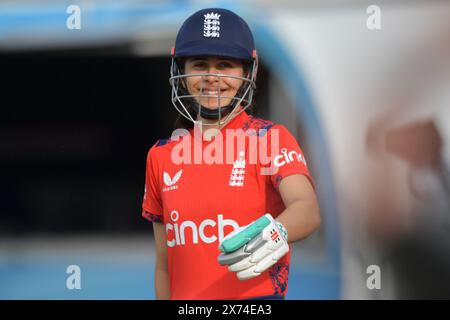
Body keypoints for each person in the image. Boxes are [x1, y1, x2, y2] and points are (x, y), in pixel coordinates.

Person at [141, 8, 321, 300]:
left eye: (225, 65)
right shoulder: (161, 155)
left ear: (247, 73)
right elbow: (164, 266)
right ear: (181, 73)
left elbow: (307, 210)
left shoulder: (270, 138)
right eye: (200, 65)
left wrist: (276, 232)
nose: (212, 77)